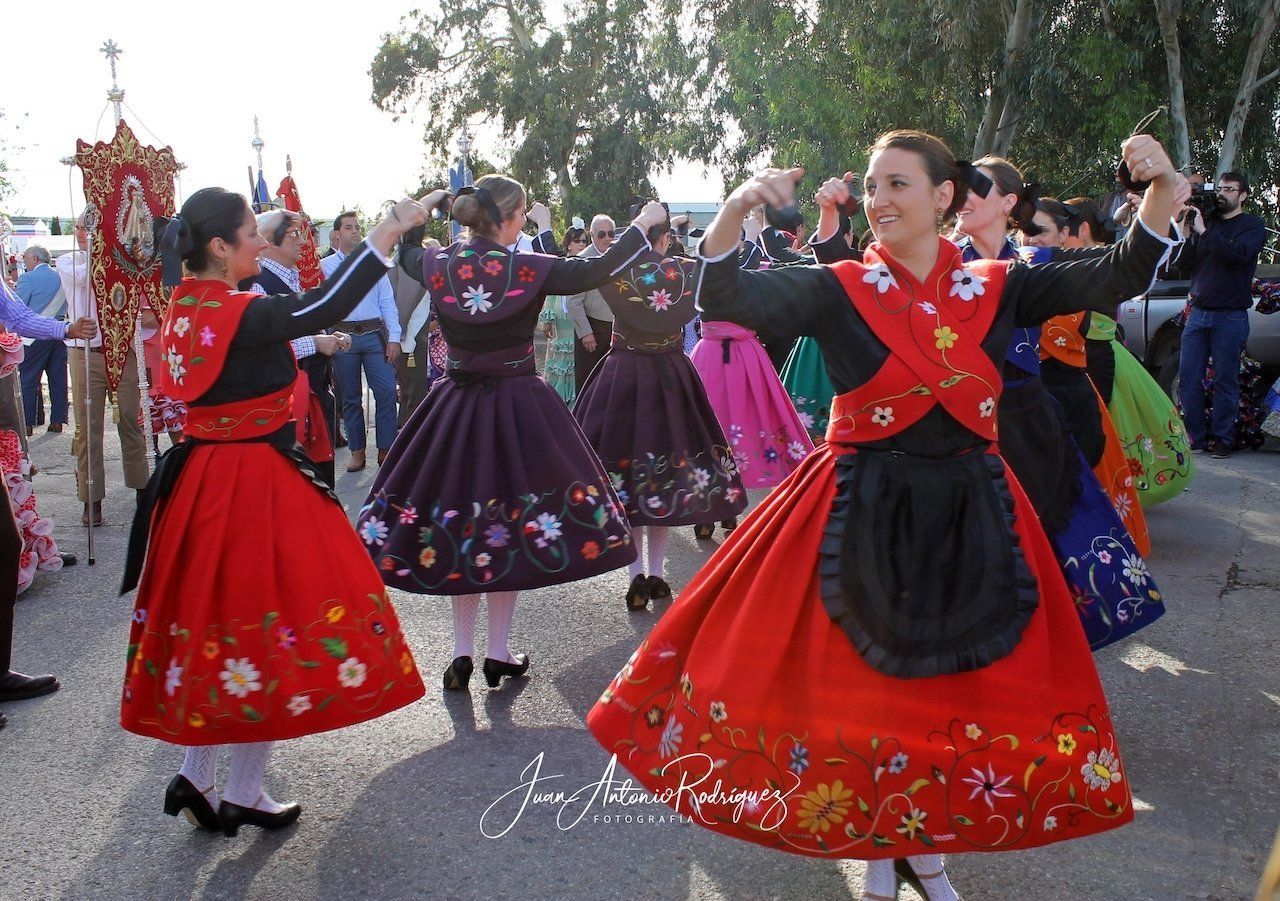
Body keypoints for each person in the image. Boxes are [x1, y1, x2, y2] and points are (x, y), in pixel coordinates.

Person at [589, 130, 1180, 898]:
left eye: (898, 184)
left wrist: (1161, 188)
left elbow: (1120, 271)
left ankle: (924, 855)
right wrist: (737, 206)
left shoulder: (1000, 286)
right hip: (857, 511)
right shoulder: (840, 286)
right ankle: (878, 869)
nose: (878, 200)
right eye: (872, 186)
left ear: (943, 198)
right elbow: (727, 295)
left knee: (941, 705)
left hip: (970, 509)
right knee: (870, 705)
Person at [118, 187, 427, 836]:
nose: (262, 241)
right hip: (253, 479)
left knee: (215, 624)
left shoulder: (183, 308)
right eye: (250, 234)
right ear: (220, 248)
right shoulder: (238, 313)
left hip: (201, 481)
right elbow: (328, 303)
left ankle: (197, 775)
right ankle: (244, 790)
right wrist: (388, 232)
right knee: (269, 626)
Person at [357, 176, 665, 693]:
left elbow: (409, 254)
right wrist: (641, 224)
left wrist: (419, 213)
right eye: (521, 214)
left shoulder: (440, 263)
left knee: (462, 523)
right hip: (518, 407)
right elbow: (598, 267)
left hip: (454, 408)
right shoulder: (528, 267)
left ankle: (462, 654)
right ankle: (497, 652)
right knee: (507, 528)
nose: (525, 221)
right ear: (503, 219)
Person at [573, 203, 748, 608]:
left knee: (628, 477)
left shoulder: (615, 271)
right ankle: (655, 574)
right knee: (666, 473)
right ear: (666, 237)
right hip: (670, 376)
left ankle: (635, 576)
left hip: (622, 375)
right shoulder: (684, 273)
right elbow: (725, 268)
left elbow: (582, 269)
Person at [1062, 197, 1195, 505]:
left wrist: (1162, 211)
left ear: (1081, 229)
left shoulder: (1106, 262)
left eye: (1055, 227)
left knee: (1104, 430)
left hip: (1100, 358)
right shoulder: (1061, 260)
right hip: (1076, 358)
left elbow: (1146, 259)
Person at [689, 214, 813, 538]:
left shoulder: (722, 268)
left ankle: (726, 505)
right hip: (723, 356)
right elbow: (737, 278)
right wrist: (757, 239)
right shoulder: (712, 270)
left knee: (733, 431)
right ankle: (716, 507)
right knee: (716, 431)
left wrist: (758, 241)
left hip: (728, 356)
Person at [57, 213, 150, 526]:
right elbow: (90, 275)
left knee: (129, 421)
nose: (86, 234)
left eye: (94, 228)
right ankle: (91, 499)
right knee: (87, 428)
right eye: (83, 228)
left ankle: (141, 490)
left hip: (121, 351)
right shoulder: (68, 263)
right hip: (84, 353)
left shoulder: (123, 260)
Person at [244, 210, 348, 487]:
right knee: (301, 478)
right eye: (294, 234)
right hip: (288, 397)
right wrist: (314, 343)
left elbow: (295, 324)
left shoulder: (291, 277)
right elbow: (264, 343)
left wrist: (326, 336)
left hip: (311, 388)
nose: (303, 242)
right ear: (270, 242)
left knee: (320, 471)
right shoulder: (259, 284)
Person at [1174, 171, 1267, 457]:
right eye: (1221, 187)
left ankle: (1223, 439)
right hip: (1198, 312)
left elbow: (1237, 255)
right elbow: (1183, 266)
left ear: (1243, 195)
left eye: (1230, 189)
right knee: (1188, 378)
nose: (1223, 193)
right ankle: (1196, 437)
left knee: (1225, 380)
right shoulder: (1208, 224)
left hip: (1230, 315)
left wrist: (1205, 232)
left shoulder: (1251, 226)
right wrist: (1185, 231)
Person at [322, 212, 401, 471]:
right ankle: (357, 452)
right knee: (351, 398)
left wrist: (395, 338)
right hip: (342, 338)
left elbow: (387, 302)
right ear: (337, 235)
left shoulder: (375, 264)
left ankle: (386, 448)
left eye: (357, 227)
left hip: (374, 335)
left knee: (387, 392)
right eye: (348, 227)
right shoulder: (325, 267)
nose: (355, 231)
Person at [15, 245, 69, 434]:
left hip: (35, 334)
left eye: (27, 259)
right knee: (58, 378)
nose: (26, 263)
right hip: (60, 332)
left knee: (28, 379)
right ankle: (58, 420)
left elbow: (18, 309)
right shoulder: (62, 277)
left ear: (35, 259)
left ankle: (27, 423)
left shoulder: (27, 279)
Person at [567, 214, 617, 392]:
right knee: (588, 383)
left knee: (611, 383)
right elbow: (573, 301)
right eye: (601, 234)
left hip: (615, 329)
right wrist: (585, 333)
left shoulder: (618, 258)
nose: (607, 238)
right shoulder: (582, 260)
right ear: (592, 234)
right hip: (592, 329)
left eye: (610, 234)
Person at [539, 225, 587, 404]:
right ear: (568, 245)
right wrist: (547, 319)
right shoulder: (560, 265)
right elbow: (551, 293)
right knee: (560, 361)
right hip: (561, 317)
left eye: (584, 241)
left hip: (579, 320)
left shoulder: (588, 264)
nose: (581, 244)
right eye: (577, 241)